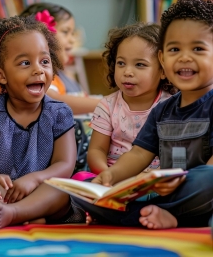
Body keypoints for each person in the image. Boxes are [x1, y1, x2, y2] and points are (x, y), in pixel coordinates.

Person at [71, 0, 213, 229]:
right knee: (82, 192)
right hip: (161, 193)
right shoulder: (162, 110)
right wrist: (111, 177)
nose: (184, 57)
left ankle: (168, 217)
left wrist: (180, 182)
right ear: (163, 61)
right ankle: (157, 216)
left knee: (209, 177)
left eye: (198, 48)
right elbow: (138, 155)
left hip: (195, 188)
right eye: (175, 49)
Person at [0, 15, 83, 229]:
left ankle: (16, 213)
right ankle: (25, 214)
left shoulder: (59, 112)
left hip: (40, 189)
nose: (38, 69)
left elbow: (65, 164)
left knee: (61, 189)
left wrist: (34, 179)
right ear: (0, 75)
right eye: (25, 63)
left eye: (45, 61)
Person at [72, 22, 176, 181]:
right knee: (80, 178)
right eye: (121, 63)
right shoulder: (107, 106)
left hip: (155, 180)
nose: (127, 72)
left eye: (140, 64)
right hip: (112, 178)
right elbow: (97, 150)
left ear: (163, 70)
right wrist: (106, 174)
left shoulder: (172, 105)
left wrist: (158, 176)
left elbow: (178, 153)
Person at [20, 2, 100, 114]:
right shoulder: (38, 75)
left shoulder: (58, 75)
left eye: (72, 33)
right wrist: (106, 104)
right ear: (42, 36)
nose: (72, 40)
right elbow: (52, 101)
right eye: (65, 32)